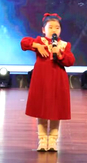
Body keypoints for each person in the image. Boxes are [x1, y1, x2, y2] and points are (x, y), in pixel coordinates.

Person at [21, 13, 75, 152]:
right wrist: (36, 46)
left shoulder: (64, 45)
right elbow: (24, 42)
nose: (54, 30)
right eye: (50, 27)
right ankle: (42, 140)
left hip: (58, 80)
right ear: (43, 30)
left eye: (57, 27)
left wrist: (60, 54)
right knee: (42, 109)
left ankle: (53, 141)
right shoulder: (40, 41)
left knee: (56, 110)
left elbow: (70, 61)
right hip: (41, 80)